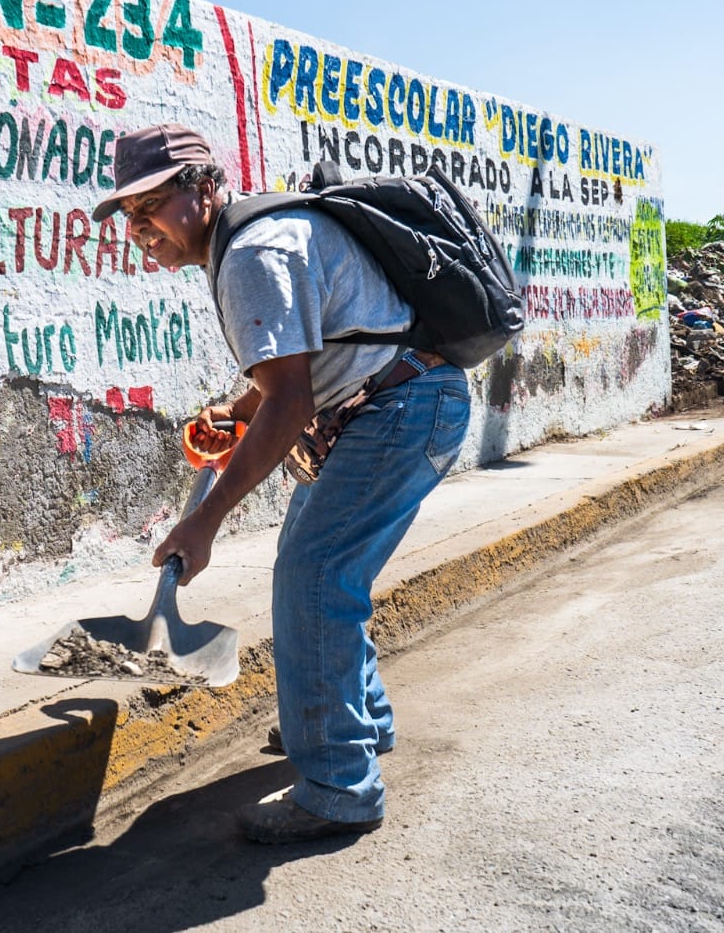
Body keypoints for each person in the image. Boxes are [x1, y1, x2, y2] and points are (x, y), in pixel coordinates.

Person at [91, 125, 470, 844]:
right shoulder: (248, 240)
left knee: (315, 577)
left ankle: (338, 786)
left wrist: (204, 523)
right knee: (320, 569)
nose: (140, 228)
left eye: (152, 205)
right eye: (129, 215)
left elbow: (293, 401)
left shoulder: (252, 255)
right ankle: (357, 725)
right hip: (397, 404)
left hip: (400, 409)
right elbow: (299, 369)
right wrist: (235, 418)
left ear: (204, 187)